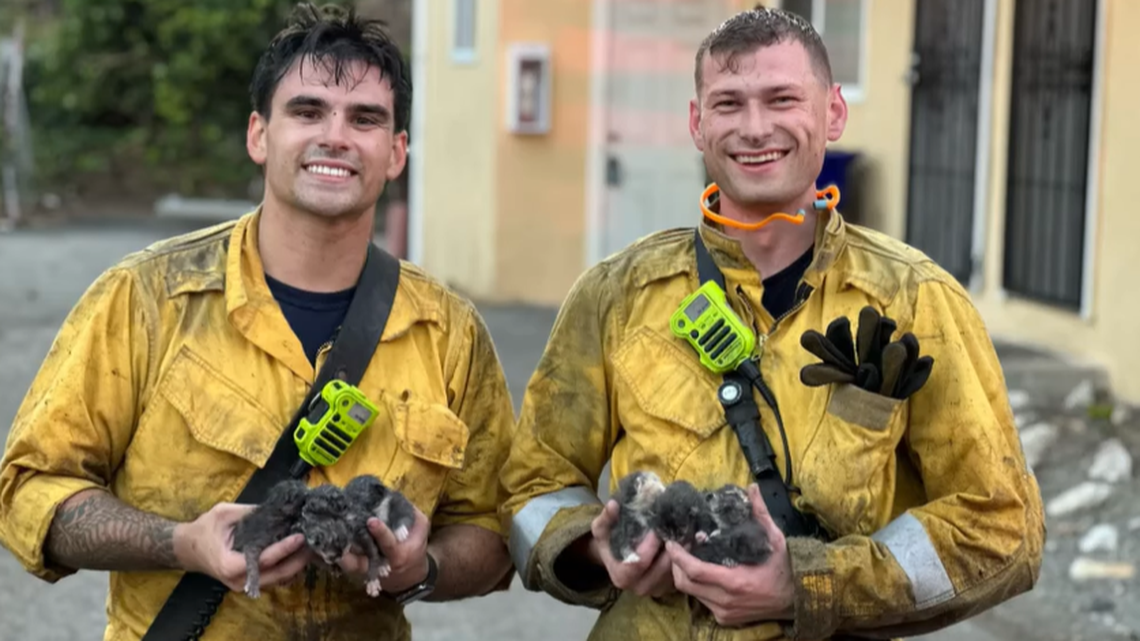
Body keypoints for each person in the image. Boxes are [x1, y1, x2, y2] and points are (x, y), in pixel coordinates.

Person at [499, 7, 1045, 640]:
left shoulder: (916, 299)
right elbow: (530, 489)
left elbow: (1004, 528)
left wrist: (811, 583)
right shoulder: (615, 295)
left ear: (833, 113)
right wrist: (597, 550)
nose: (755, 128)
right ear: (698, 124)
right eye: (728, 104)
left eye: (782, 99)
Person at [0, 4, 515, 640]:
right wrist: (181, 542)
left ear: (396, 152)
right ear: (258, 135)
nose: (336, 136)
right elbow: (31, 490)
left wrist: (421, 567)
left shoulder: (451, 335)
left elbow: (494, 532)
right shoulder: (146, 299)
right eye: (306, 111)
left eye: (365, 119)